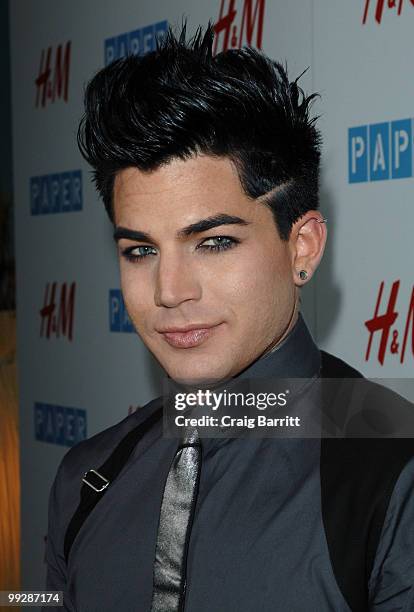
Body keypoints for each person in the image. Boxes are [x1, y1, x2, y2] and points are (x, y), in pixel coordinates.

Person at [43, 22, 414, 611]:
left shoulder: (393, 475)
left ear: (303, 248)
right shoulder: (86, 477)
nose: (169, 291)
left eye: (213, 242)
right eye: (140, 251)